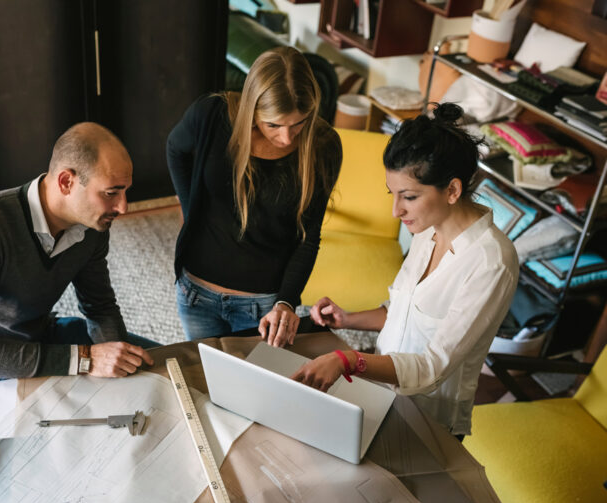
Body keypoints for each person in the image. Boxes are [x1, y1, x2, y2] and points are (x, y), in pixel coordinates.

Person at [292, 103, 519, 437]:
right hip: (379, 391)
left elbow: (432, 367)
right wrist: (348, 319)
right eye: (393, 194)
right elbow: (403, 311)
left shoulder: (492, 263)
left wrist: (348, 359)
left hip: (429, 419)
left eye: (409, 197)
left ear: (453, 190)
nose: (396, 210)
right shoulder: (427, 230)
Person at [0, 123, 157, 391]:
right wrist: (86, 360)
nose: (123, 207)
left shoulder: (92, 226)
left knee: (156, 365)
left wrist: (119, 366)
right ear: (66, 182)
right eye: (111, 193)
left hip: (36, 336)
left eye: (125, 191)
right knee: (78, 419)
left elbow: (100, 307)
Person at [166, 46, 342, 347]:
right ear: (252, 110)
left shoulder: (323, 147)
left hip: (264, 308)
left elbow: (309, 237)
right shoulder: (211, 114)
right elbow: (175, 149)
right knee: (204, 381)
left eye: (298, 123)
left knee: (257, 388)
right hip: (196, 292)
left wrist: (286, 302)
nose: (287, 137)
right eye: (273, 124)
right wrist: (189, 206)